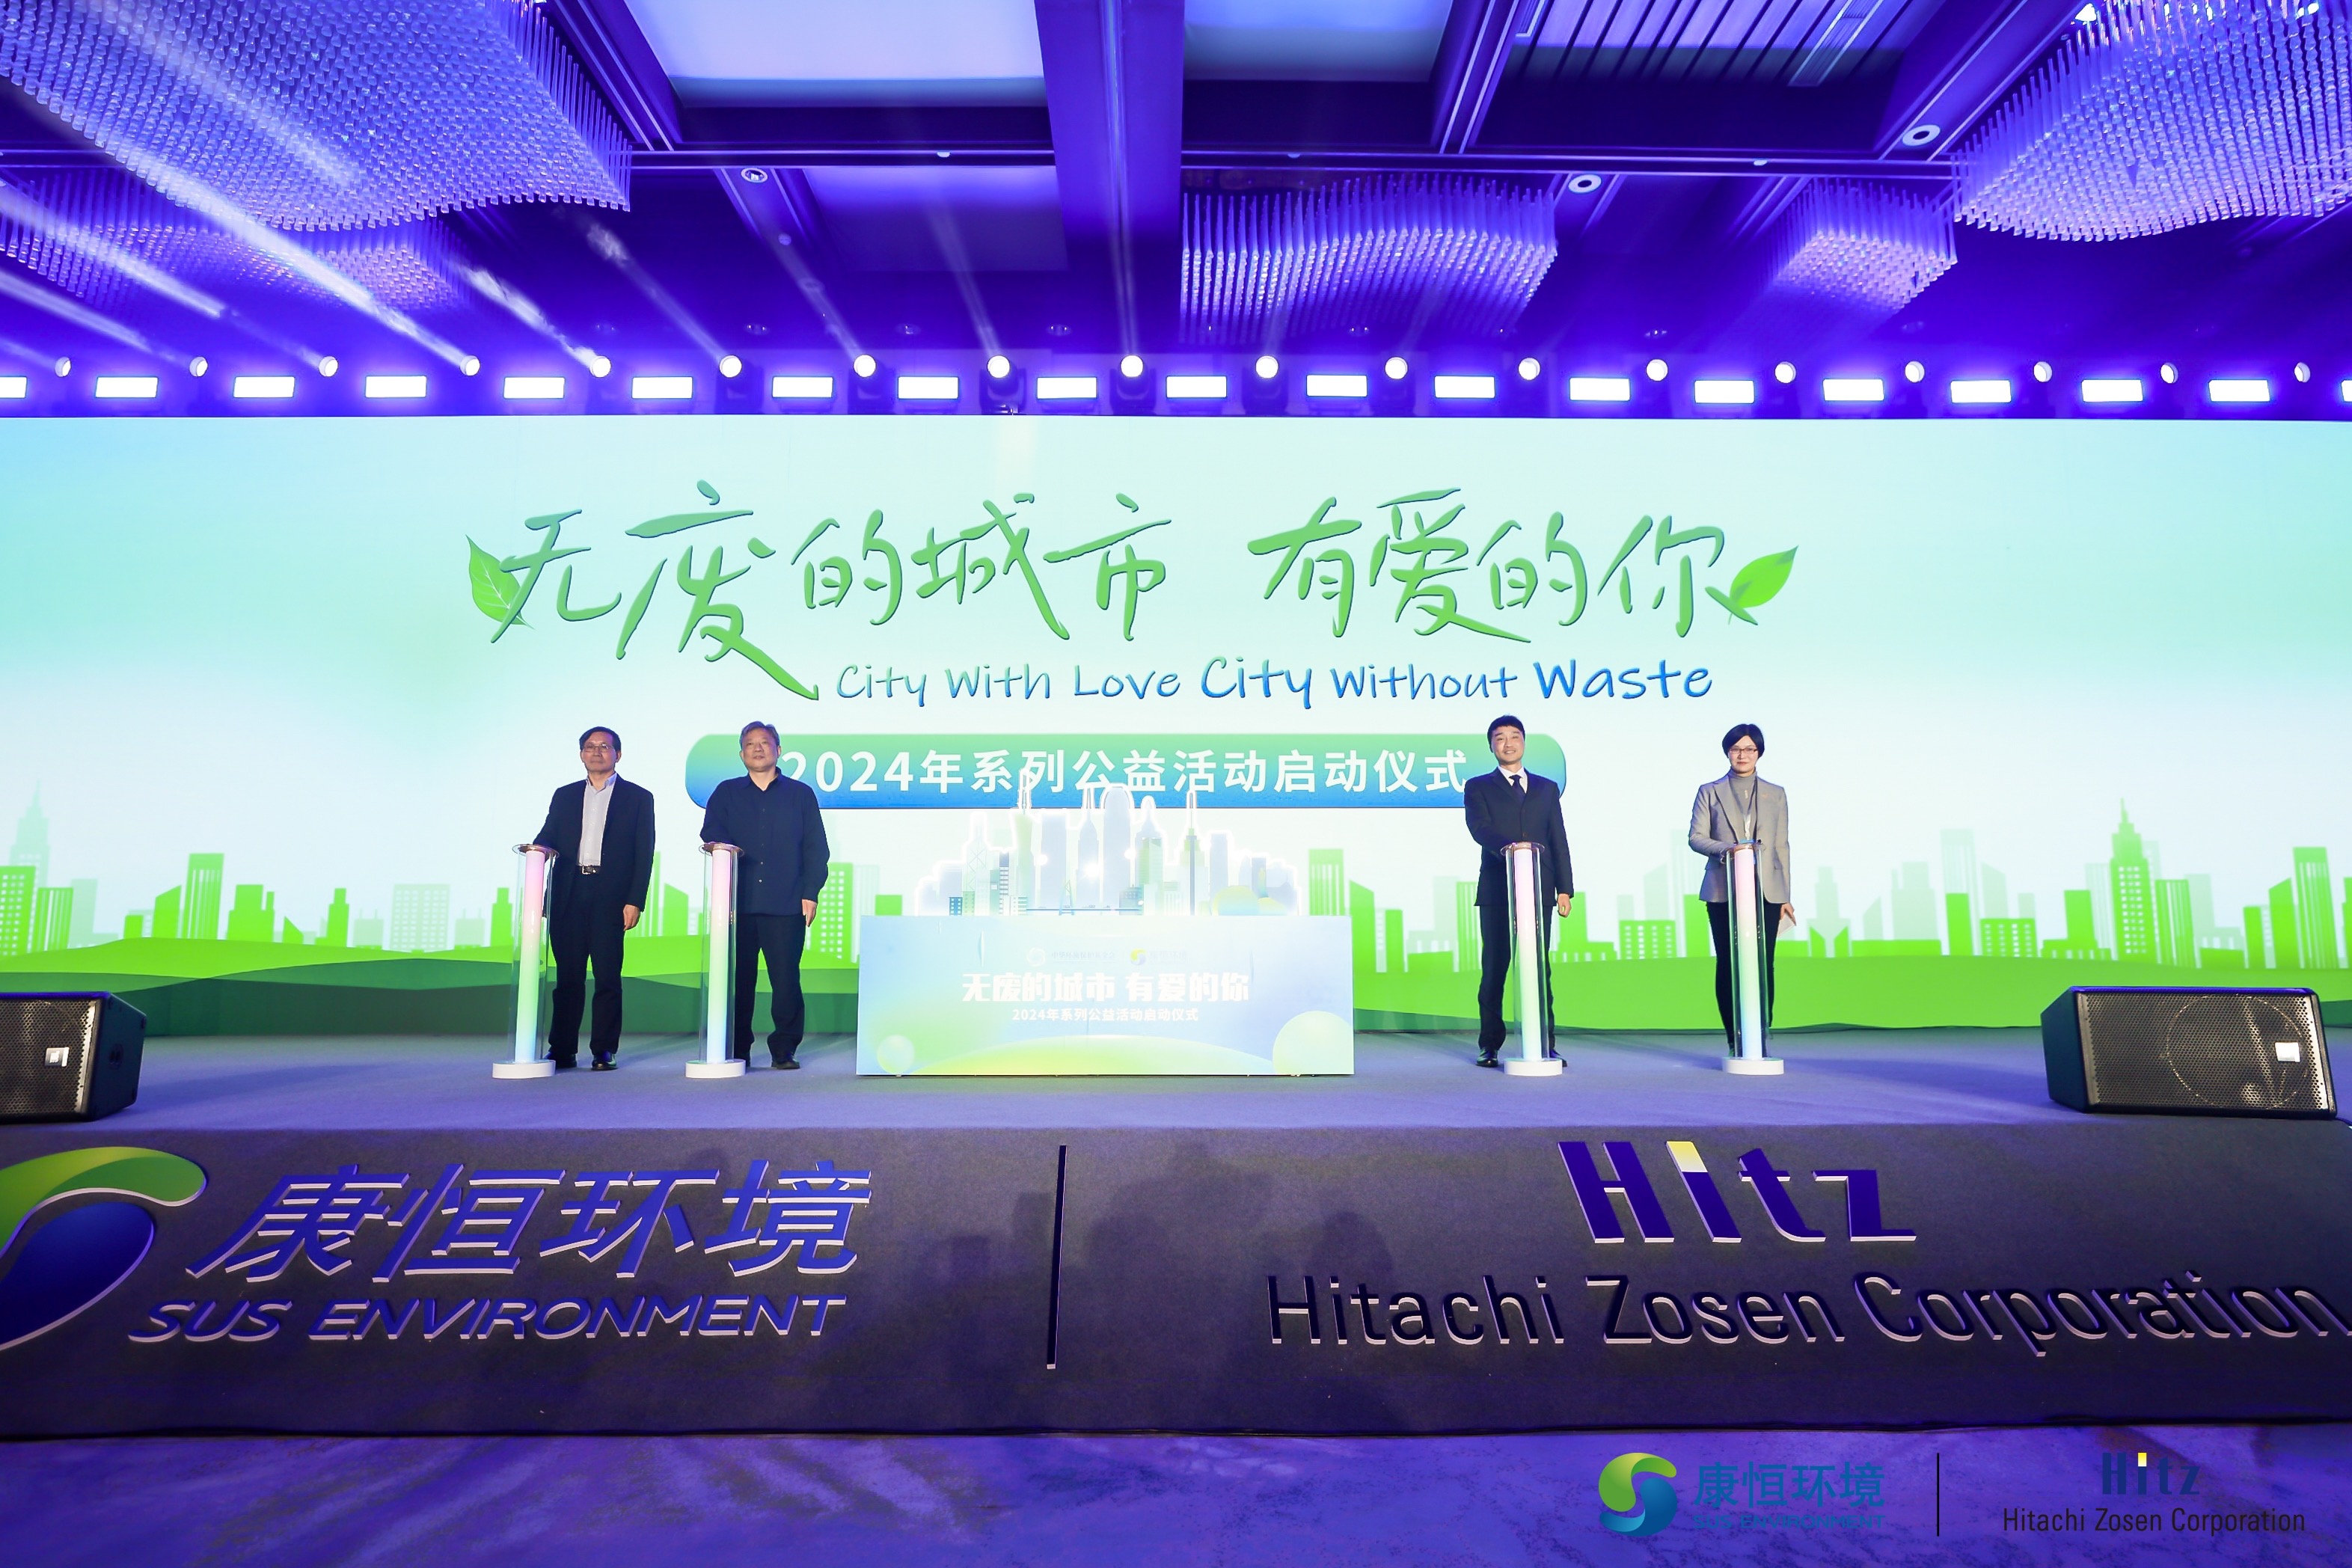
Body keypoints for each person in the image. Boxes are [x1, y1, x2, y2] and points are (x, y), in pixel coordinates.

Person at [699, 720, 830, 1069]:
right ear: (741, 753)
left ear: (778, 750)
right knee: (738, 981)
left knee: (785, 981)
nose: (757, 749)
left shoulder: (800, 794)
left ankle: (784, 1049)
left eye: (764, 743)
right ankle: (736, 1048)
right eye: (750, 744)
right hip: (736, 904)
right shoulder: (726, 793)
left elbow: (816, 848)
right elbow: (711, 832)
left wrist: (811, 892)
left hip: (786, 903)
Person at [532, 726, 655, 1071]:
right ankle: (562, 1049)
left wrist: (635, 900)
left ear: (618, 754)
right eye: (590, 747)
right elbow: (548, 835)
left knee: (607, 978)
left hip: (610, 896)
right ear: (581, 754)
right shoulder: (565, 795)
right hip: (568, 893)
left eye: (604, 746)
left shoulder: (638, 797)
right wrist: (536, 852)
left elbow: (644, 852)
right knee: (567, 979)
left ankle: (603, 1049)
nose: (597, 752)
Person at [1463, 714, 1574, 1070]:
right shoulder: (1478, 786)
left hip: (1539, 889)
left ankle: (1545, 1044)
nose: (1508, 743)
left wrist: (1565, 889)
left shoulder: (1546, 788)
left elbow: (1558, 838)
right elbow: (1479, 828)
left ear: (1524, 742)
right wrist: (1511, 849)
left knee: (1540, 968)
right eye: (1500, 738)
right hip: (1498, 889)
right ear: (1491, 746)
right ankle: (1489, 1045)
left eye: (1514, 737)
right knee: (1495, 967)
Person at [1688, 723, 1795, 1050]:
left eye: (1749, 749)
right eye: (1736, 749)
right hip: (1723, 889)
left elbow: (1781, 846)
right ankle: (1735, 1038)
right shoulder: (1710, 791)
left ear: (1759, 753)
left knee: (1764, 963)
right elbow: (1696, 837)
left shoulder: (1776, 793)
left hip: (1767, 891)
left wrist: (1785, 895)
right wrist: (1730, 850)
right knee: (1728, 962)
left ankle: (1760, 1035)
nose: (1742, 755)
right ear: (1727, 752)